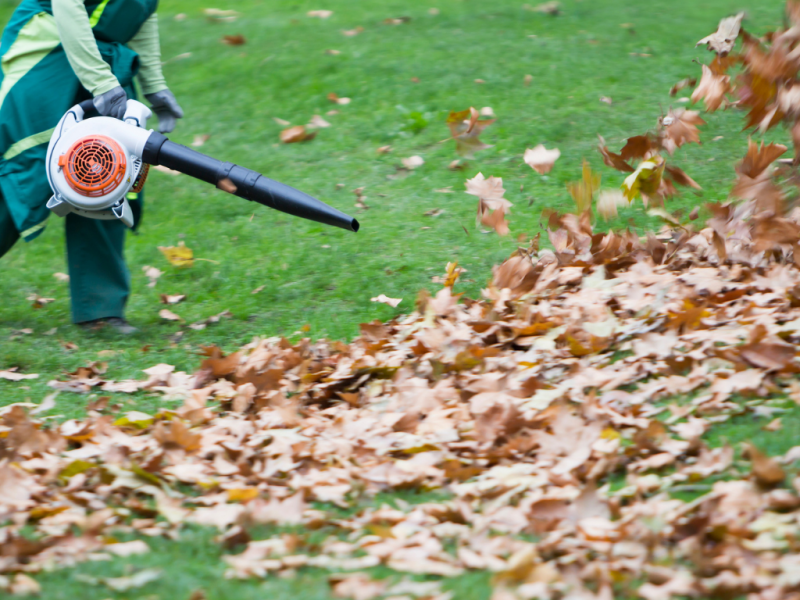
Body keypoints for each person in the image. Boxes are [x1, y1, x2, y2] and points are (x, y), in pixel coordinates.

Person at [0, 0, 183, 333]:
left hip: (103, 66)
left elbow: (141, 9)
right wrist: (102, 83)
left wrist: (155, 85)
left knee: (110, 178)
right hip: (48, 53)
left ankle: (100, 311)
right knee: (25, 175)